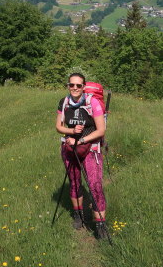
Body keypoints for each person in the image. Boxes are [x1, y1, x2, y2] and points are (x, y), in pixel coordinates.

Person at [55, 72, 107, 239]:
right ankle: (78, 216)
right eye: (72, 85)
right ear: (68, 86)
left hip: (91, 148)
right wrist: (71, 132)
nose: (75, 88)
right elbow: (58, 126)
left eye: (78, 85)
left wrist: (83, 139)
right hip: (70, 149)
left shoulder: (93, 102)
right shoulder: (64, 103)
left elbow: (101, 130)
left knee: (95, 186)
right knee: (75, 183)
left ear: (84, 87)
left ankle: (100, 226)